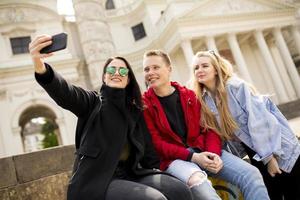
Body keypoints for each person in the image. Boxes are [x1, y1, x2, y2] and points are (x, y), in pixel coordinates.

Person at [29, 35, 194, 200]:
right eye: (111, 70)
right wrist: (40, 64)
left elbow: (149, 152)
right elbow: (65, 91)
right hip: (97, 180)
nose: (116, 73)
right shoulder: (92, 103)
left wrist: (158, 174)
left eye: (122, 70)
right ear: (104, 77)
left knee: (180, 190)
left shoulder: (136, 110)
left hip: (133, 174)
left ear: (128, 79)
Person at [142, 50, 270, 200]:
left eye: (155, 67)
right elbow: (157, 144)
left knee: (251, 174)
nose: (150, 72)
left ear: (169, 69)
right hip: (176, 160)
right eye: (146, 69)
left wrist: (213, 153)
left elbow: (209, 128)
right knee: (205, 191)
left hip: (205, 151)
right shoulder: (144, 105)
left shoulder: (189, 96)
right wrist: (193, 157)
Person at [191, 50, 300, 200]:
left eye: (205, 66)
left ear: (216, 69)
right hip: (254, 150)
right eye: (196, 68)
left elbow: (260, 122)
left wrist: (270, 158)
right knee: (271, 193)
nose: (200, 70)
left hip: (277, 146)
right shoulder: (205, 99)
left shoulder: (235, 87)